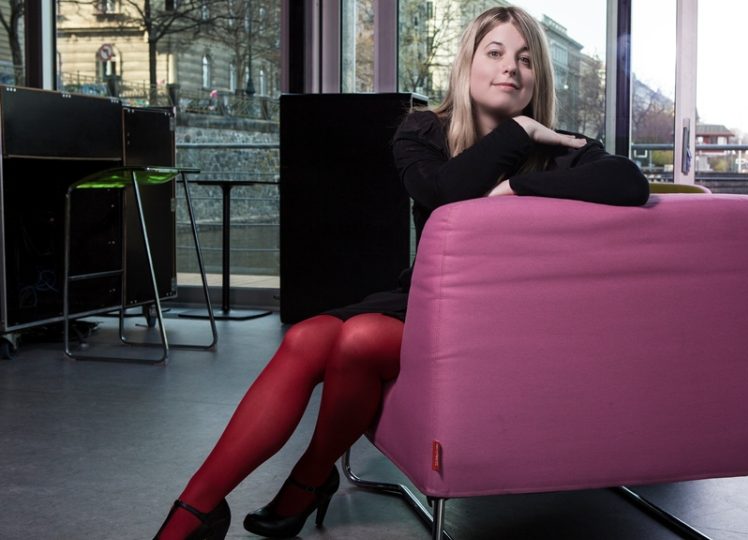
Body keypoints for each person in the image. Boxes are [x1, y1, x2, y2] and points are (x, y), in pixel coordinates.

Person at [154, 5, 649, 539]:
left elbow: (629, 182)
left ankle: (307, 477)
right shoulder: (422, 131)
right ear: (468, 63)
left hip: (502, 320)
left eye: (526, 60)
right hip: (426, 300)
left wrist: (517, 183)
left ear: (538, 77)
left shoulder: (558, 147)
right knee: (304, 339)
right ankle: (198, 509)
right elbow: (443, 193)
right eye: (495, 52)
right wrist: (517, 132)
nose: (511, 67)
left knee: (360, 337)